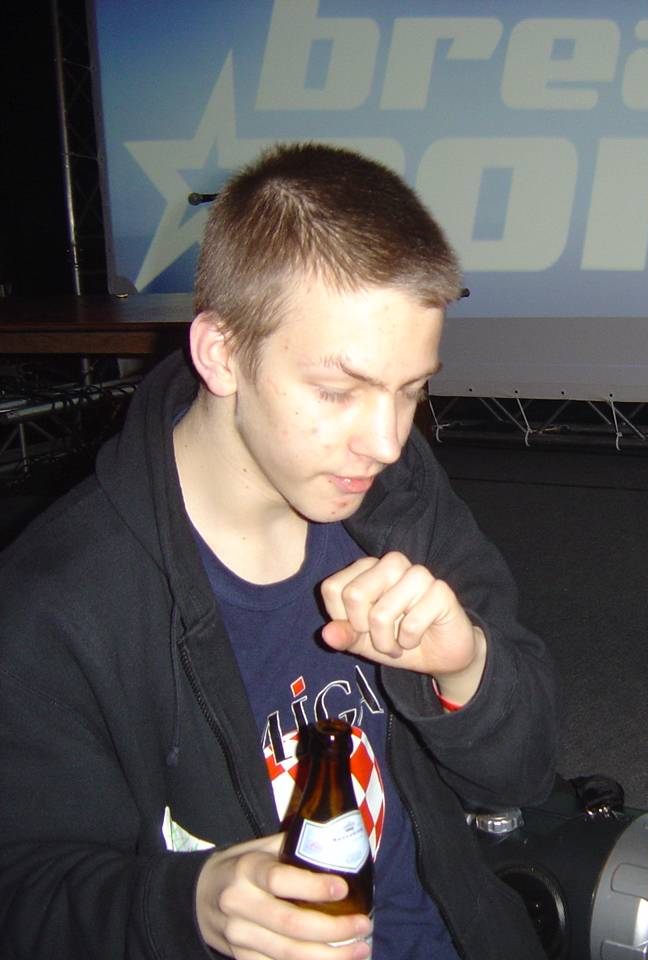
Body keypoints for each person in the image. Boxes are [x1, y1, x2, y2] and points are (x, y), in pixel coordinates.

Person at [0, 143, 557, 959]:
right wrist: (189, 906)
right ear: (221, 353)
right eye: (337, 391)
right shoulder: (61, 602)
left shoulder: (398, 495)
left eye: (411, 389)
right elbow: (25, 896)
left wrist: (464, 669)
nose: (385, 440)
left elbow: (524, 772)